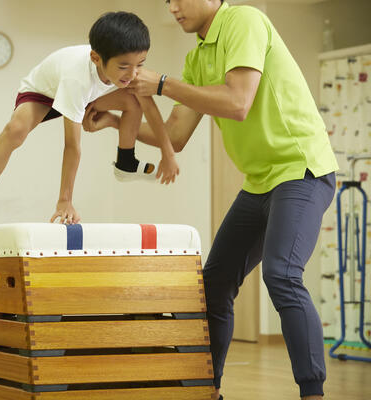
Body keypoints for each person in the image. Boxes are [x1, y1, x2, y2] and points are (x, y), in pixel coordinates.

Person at [83, 1, 338, 399]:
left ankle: (313, 392)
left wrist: (163, 84)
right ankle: (208, 391)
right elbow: (176, 135)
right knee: (214, 286)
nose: (173, 7)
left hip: (302, 171)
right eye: (167, 0)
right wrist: (116, 122)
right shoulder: (198, 56)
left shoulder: (244, 20)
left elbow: (238, 103)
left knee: (282, 275)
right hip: (259, 183)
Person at [0, 11, 179, 226]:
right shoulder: (76, 80)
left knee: (134, 100)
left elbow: (150, 108)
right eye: (123, 66)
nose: (132, 74)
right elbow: (72, 146)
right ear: (96, 58)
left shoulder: (131, 75)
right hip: (44, 93)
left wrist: (167, 154)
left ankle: (126, 161)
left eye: (140, 64)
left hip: (90, 95)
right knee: (15, 129)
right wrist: (65, 200)